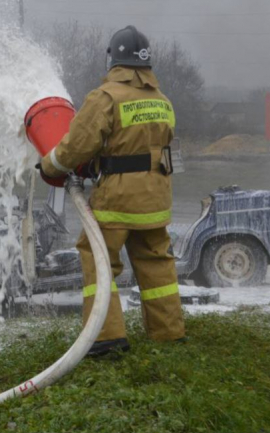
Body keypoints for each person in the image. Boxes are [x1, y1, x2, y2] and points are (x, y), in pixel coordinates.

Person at [40, 25, 185, 357]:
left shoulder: (105, 97)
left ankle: (106, 337)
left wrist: (49, 166)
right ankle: (168, 332)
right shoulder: (162, 100)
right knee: (156, 262)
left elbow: (76, 146)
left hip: (118, 198)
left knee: (98, 257)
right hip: (156, 198)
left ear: (113, 60)